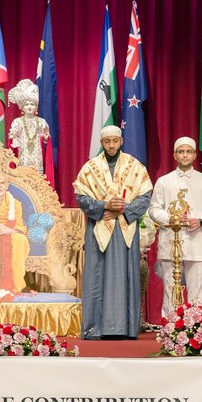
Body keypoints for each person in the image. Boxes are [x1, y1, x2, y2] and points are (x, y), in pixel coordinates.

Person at [73, 125, 153, 339]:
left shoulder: (135, 166)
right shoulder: (90, 168)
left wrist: (122, 209)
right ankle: (95, 328)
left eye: (114, 141)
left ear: (121, 141)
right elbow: (81, 198)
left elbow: (145, 196)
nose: (111, 145)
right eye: (107, 141)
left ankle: (125, 328)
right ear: (101, 143)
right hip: (99, 227)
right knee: (97, 274)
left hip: (125, 227)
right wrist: (103, 206)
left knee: (124, 274)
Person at [148, 137, 202, 316]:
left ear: (195, 155)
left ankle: (195, 327)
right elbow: (153, 209)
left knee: (196, 289)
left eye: (188, 151)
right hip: (170, 239)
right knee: (169, 287)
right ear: (175, 155)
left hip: (196, 240)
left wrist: (201, 221)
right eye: (181, 151)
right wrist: (170, 219)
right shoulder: (164, 181)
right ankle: (170, 326)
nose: (185, 155)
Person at [7, 79, 53, 184]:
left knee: (37, 185)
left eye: (32, 104)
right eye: (26, 104)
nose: (29, 106)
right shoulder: (17, 122)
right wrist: (13, 138)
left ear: (36, 107)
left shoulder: (42, 122)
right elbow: (12, 142)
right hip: (23, 158)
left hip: (37, 159)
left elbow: (45, 142)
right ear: (22, 107)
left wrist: (46, 139)